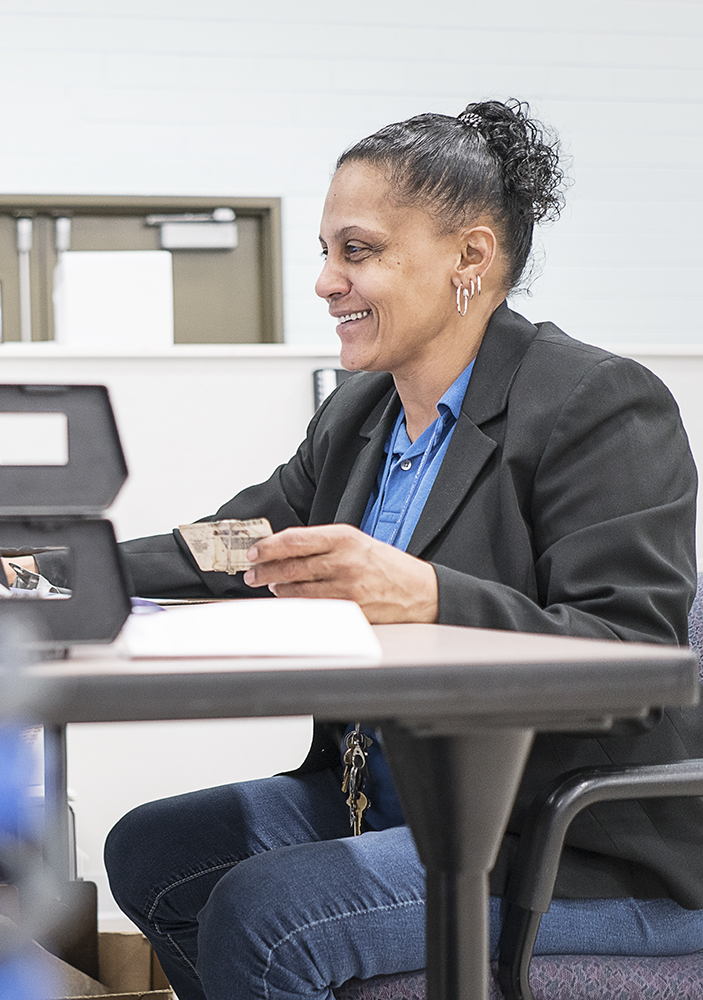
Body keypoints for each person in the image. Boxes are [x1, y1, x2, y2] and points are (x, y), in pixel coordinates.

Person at [98, 99, 703, 999]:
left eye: (359, 250)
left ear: (470, 257)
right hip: (387, 797)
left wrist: (427, 594)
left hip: (564, 840)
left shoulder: (598, 403)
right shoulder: (362, 413)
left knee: (264, 914)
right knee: (153, 850)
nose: (326, 282)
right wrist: (33, 569)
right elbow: (234, 544)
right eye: (327, 253)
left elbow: (638, 654)